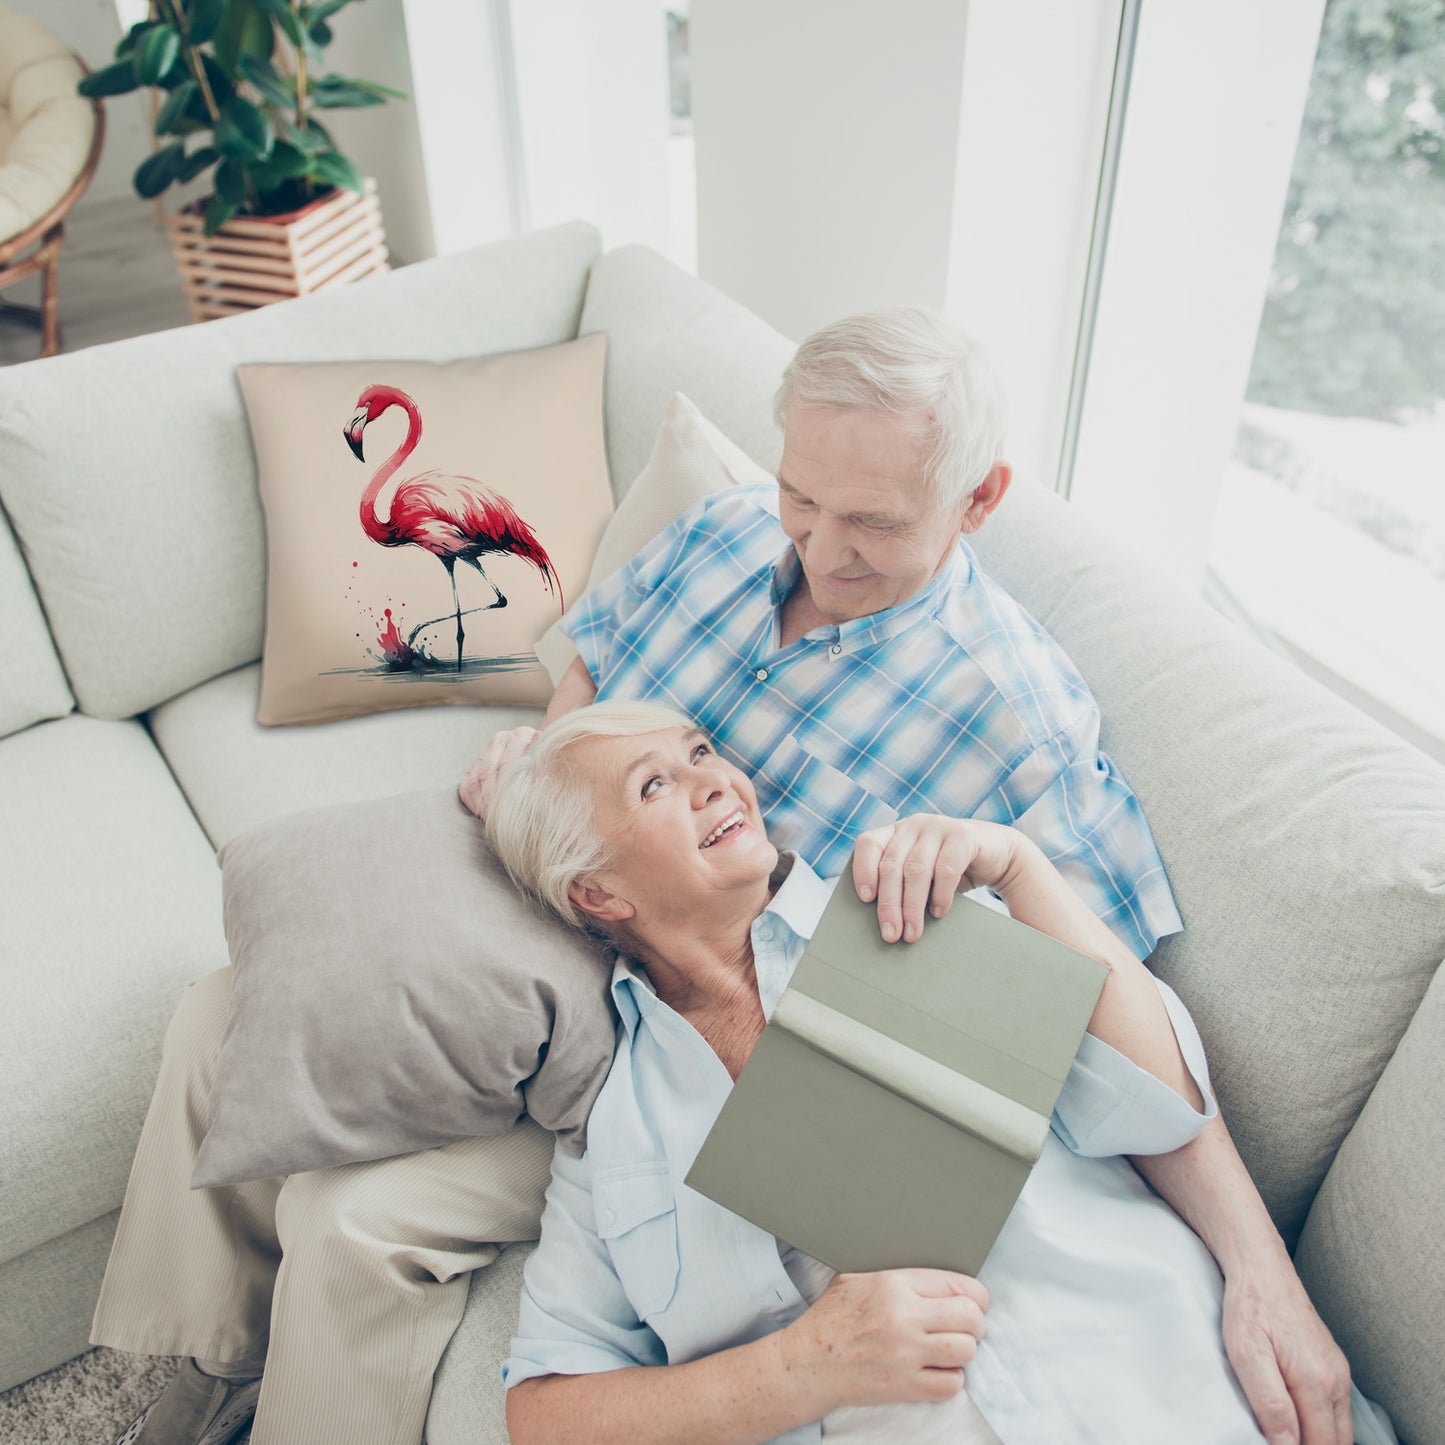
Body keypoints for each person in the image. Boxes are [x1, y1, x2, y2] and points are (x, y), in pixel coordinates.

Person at [94, 309, 1348, 1445]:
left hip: (693, 1014)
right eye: (804, 495)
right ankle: (193, 1363)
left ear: (976, 501)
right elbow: (591, 672)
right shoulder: (726, 532)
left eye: (871, 520)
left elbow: (1103, 1021)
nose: (818, 545)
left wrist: (1260, 1266)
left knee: (355, 1218)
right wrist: (544, 764)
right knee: (229, 1007)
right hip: (582, 889)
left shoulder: (1016, 724)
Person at [486, 701, 1385, 1445]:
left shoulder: (909, 907)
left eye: (700, 751)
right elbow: (545, 1413)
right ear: (597, 892)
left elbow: (1158, 1106)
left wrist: (1021, 869)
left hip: (1173, 1393)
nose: (714, 779)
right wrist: (803, 1367)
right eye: (655, 784)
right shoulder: (615, 1132)